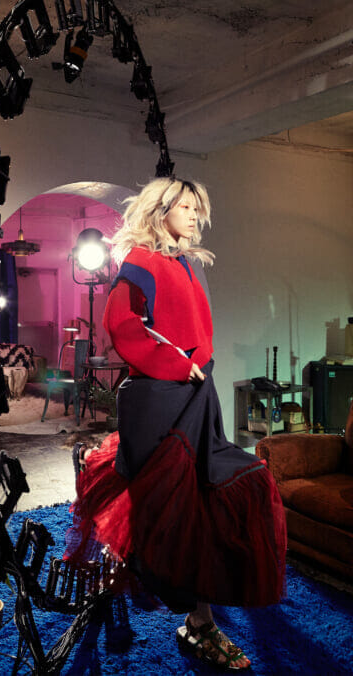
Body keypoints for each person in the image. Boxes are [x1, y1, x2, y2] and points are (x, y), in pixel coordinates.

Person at [66, 177, 287, 671]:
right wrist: (177, 364)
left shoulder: (183, 261)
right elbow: (122, 325)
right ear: (160, 210)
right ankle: (198, 622)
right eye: (184, 206)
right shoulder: (141, 260)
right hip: (160, 397)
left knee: (223, 494)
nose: (193, 214)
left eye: (196, 208)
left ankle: (197, 616)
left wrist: (196, 365)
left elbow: (195, 329)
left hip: (195, 394)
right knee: (176, 512)